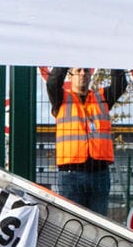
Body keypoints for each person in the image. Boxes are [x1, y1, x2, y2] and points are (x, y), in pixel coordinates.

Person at [42, 65, 125, 216]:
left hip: (99, 174)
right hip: (70, 175)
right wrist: (66, 58)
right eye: (78, 70)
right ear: (70, 75)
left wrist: (114, 61)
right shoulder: (61, 98)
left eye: (86, 70)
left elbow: (120, 84)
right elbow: (52, 82)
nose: (82, 74)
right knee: (71, 224)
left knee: (99, 225)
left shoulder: (102, 97)